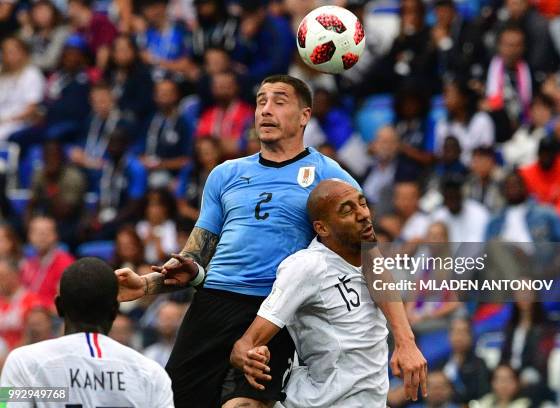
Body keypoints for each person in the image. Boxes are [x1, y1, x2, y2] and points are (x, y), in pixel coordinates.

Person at [115, 75, 427, 407]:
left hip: (274, 311)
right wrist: (146, 285)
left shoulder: (331, 178)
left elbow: (373, 260)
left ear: (305, 115)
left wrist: (405, 340)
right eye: (261, 101)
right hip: (213, 303)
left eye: (279, 101)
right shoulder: (225, 174)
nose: (266, 110)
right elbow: (194, 258)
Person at [230, 180, 426, 407]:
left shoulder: (374, 263)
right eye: (347, 210)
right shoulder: (308, 266)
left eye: (362, 204)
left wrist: (407, 343)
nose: (363, 214)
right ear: (322, 228)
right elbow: (245, 345)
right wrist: (248, 358)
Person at [0, 257, 174, 407]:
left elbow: (6, 404)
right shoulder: (150, 373)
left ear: (59, 307)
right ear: (114, 310)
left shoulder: (23, 362)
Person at [21, 215, 75, 309]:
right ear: (29, 236)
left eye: (47, 232)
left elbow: (66, 303)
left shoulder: (65, 262)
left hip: (52, 316)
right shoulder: (27, 264)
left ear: (56, 236)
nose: (42, 236)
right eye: (37, 232)